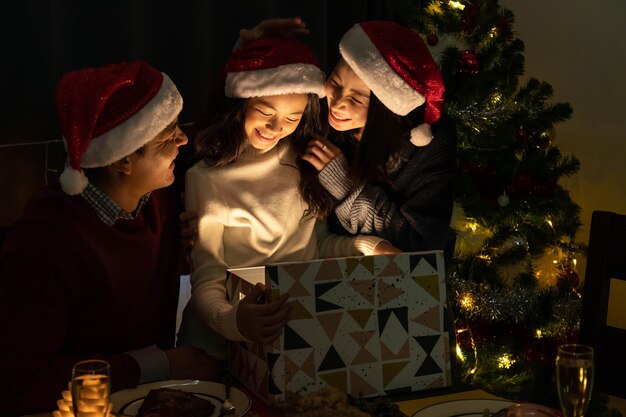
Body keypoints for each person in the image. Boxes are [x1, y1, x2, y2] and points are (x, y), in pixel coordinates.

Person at [0, 61, 221, 416]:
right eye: (168, 137)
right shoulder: (43, 245)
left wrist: (248, 56)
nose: (183, 140)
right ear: (123, 161)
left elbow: (219, 128)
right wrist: (157, 364)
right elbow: (20, 383)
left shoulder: (155, 195)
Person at [178, 36, 394, 359]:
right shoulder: (206, 179)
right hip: (221, 349)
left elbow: (315, 247)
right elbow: (207, 282)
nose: (276, 127)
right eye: (265, 112)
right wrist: (235, 320)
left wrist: (366, 246)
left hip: (292, 339)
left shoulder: (302, 162)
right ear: (242, 103)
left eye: (292, 119)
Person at [242, 19, 458, 256]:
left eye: (356, 100)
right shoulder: (316, 108)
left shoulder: (426, 143)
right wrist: (252, 53)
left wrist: (346, 187)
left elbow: (425, 245)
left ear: (386, 108)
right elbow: (238, 112)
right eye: (334, 82)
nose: (336, 102)